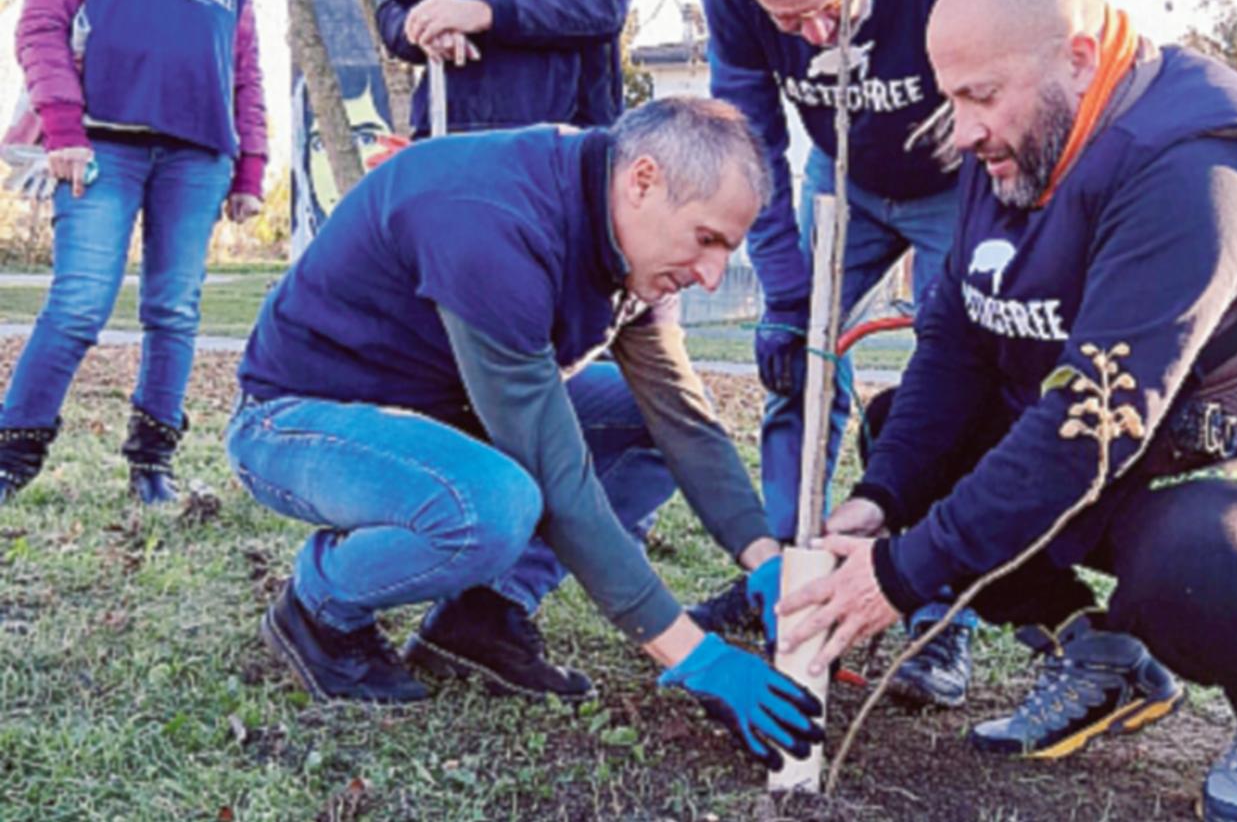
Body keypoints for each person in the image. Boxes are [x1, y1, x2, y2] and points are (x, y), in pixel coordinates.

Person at [775, 0, 1237, 818]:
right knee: (911, 445)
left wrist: (896, 577)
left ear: (1077, 58)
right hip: (1139, 451)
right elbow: (959, 340)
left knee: (1195, 564)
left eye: (981, 97)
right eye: (951, 97)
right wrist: (879, 499)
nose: (961, 131)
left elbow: (1088, 425)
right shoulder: (1013, 136)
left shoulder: (1197, 169)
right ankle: (1099, 655)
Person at [228, 96, 822, 771]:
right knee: (490, 506)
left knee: (643, 424)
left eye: (728, 248)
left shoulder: (624, 234)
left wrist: (763, 557)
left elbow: (679, 416)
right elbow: (558, 478)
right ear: (644, 181)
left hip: (436, 417)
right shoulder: (495, 224)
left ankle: (480, 617)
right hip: (293, 421)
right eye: (706, 239)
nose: (712, 274)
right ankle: (317, 607)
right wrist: (697, 656)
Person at [693, 0, 977, 709]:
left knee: (963, 379)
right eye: (789, 21)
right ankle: (791, 567)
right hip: (842, 178)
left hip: (959, 184)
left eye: (828, 6)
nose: (816, 35)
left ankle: (938, 604)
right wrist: (789, 296)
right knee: (798, 364)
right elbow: (751, 140)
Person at [0, 0, 267, 506]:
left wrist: (251, 169)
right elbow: (40, 26)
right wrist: (62, 128)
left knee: (174, 310)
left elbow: (246, 69)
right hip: (100, 142)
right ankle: (12, 457)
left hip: (199, 155)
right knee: (79, 304)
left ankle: (152, 462)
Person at [376, 0, 629, 137]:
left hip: (560, 139)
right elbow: (394, 9)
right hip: (449, 132)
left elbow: (604, 5)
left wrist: (488, 13)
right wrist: (423, 29)